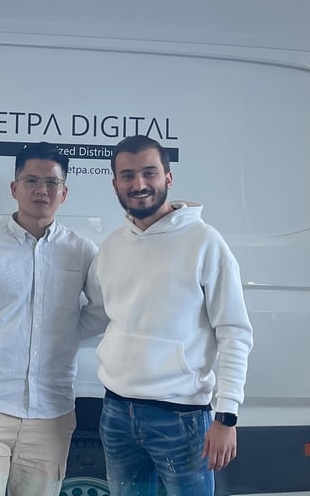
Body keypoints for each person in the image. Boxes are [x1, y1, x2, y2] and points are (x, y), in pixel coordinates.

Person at [84, 134, 254, 496]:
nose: (139, 184)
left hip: (182, 419)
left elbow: (234, 332)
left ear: (168, 178)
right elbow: (96, 316)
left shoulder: (205, 242)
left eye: (149, 172)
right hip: (116, 413)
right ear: (115, 184)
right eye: (127, 175)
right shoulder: (111, 247)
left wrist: (226, 416)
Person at [0, 142, 101, 496]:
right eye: (31, 181)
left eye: (52, 183)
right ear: (15, 188)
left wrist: (63, 330)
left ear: (64, 193)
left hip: (52, 415)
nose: (42, 190)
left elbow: (103, 310)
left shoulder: (83, 251)